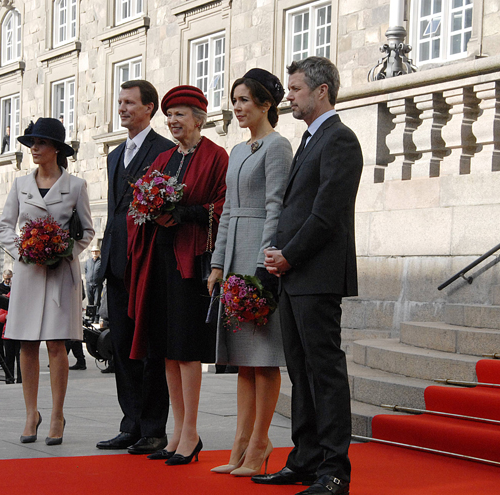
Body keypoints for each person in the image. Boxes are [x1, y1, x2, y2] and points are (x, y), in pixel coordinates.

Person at [257, 57, 363, 495]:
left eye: (296, 89)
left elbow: (326, 215)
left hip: (315, 274)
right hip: (295, 274)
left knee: (324, 373)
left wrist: (289, 256)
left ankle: (335, 470)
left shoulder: (340, 139)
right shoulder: (308, 139)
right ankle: (305, 459)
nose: (290, 96)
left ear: (322, 90)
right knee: (301, 372)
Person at [126, 85, 228, 465]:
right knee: (167, 349)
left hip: (191, 261)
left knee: (186, 350)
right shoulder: (165, 158)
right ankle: (176, 431)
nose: (172, 122)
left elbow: (222, 204)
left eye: (180, 115)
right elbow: (140, 199)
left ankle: (191, 432)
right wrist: (152, 211)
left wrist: (184, 213)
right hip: (160, 260)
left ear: (199, 120)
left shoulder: (217, 155)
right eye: (169, 116)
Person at [206, 69, 292, 476]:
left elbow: (276, 206)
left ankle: (260, 441)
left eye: (244, 100)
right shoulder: (238, 151)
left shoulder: (278, 147)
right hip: (235, 253)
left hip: (259, 256)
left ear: (266, 104)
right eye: (234, 100)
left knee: (264, 357)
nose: (237, 107)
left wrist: (264, 264)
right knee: (242, 358)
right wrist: (218, 263)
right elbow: (225, 213)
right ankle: (240, 443)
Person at [0, 117, 94, 445]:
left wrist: (63, 249)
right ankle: (30, 413)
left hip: (59, 274)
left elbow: (88, 232)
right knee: (25, 343)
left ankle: (56, 414)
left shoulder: (76, 186)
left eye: (39, 143)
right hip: (27, 272)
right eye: (31, 144)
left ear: (55, 148)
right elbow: (4, 227)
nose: (34, 149)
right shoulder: (20, 185)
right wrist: (22, 250)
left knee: (56, 344)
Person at [95, 80, 174, 455]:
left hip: (149, 262)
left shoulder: (165, 150)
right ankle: (131, 424)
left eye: (130, 103)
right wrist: (102, 260)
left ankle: (154, 428)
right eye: (120, 101)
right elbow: (113, 213)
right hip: (115, 262)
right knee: (122, 347)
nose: (122, 108)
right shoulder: (114, 156)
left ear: (150, 108)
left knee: (151, 347)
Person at [0, 292, 22, 384]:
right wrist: (6, 316)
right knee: (9, 358)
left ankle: (21, 379)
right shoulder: (7, 298)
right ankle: (9, 378)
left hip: (20, 334)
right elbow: (0, 317)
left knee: (20, 358)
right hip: (7, 334)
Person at [0, 269, 12, 369]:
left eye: (10, 279)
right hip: (0, 316)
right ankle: (0, 360)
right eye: (6, 279)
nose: (8, 281)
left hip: (10, 318)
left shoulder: (13, 288)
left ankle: (8, 360)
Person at [84, 246, 103, 322]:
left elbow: (102, 273)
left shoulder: (101, 262)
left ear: (99, 252)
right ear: (91, 252)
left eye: (96, 251)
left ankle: (96, 318)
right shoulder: (88, 261)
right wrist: (87, 278)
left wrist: (100, 280)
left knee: (97, 302)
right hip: (89, 284)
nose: (95, 253)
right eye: (93, 251)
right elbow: (86, 270)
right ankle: (91, 317)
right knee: (90, 301)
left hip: (97, 284)